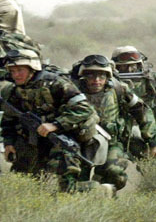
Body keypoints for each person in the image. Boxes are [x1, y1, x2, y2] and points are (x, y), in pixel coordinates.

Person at [0, 48, 103, 193]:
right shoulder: (14, 90)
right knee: (21, 187)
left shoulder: (56, 84)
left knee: (66, 189)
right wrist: (9, 143)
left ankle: (99, 191)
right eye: (12, 71)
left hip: (62, 140)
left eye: (20, 70)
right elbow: (9, 118)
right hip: (32, 142)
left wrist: (56, 125)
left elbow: (84, 109)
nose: (15, 75)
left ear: (32, 68)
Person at [74, 54, 156, 191]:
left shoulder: (119, 89)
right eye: (91, 76)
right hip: (80, 143)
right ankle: (89, 196)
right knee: (75, 177)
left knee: (115, 174)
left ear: (107, 77)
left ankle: (106, 193)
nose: (96, 80)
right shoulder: (73, 90)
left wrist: (153, 142)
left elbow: (142, 111)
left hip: (112, 142)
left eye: (101, 76)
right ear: (84, 76)